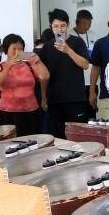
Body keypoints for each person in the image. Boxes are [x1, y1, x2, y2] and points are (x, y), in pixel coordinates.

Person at [37, 8, 91, 139]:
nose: (59, 29)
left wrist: (68, 50)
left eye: (62, 26)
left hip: (75, 99)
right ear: (51, 27)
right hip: (55, 100)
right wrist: (43, 97)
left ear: (68, 25)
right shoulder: (47, 47)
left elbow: (85, 64)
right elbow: (43, 76)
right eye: (56, 26)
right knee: (58, 138)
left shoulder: (77, 42)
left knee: (76, 137)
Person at [0, 34, 49, 137]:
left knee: (31, 140)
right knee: (9, 141)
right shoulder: (0, 67)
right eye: (14, 49)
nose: (17, 52)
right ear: (6, 50)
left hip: (30, 110)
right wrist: (9, 66)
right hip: (8, 112)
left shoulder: (29, 65)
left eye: (20, 49)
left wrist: (38, 61)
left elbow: (45, 76)